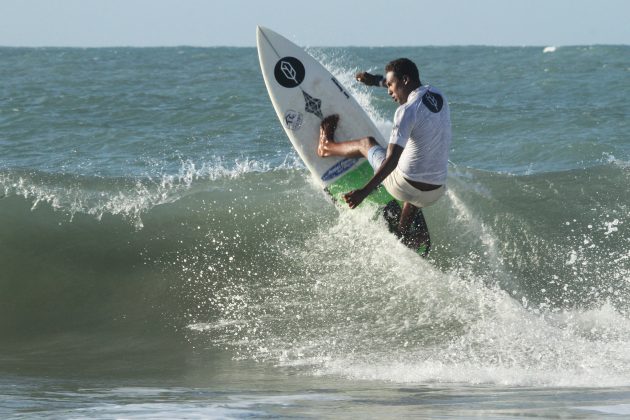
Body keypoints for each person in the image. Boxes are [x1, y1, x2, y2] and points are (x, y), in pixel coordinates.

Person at [317, 58, 451, 255]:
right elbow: (406, 86)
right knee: (417, 162)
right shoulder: (438, 96)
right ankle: (404, 232)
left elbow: (391, 161)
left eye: (390, 85)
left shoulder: (405, 112)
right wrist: (376, 81)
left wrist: (364, 191)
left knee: (368, 144)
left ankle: (327, 147)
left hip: (403, 186)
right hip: (434, 193)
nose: (389, 91)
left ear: (404, 80)